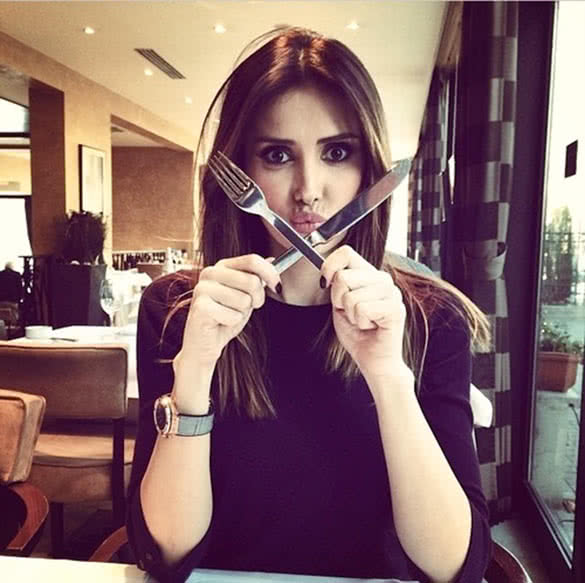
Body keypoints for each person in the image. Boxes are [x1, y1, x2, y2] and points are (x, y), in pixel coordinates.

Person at [127, 27, 492, 583]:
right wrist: (195, 368)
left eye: (337, 152)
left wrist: (388, 374)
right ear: (239, 172)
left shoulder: (429, 320)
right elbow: (165, 555)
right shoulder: (177, 309)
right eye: (277, 155)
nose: (309, 190)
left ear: (369, 170)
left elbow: (454, 568)